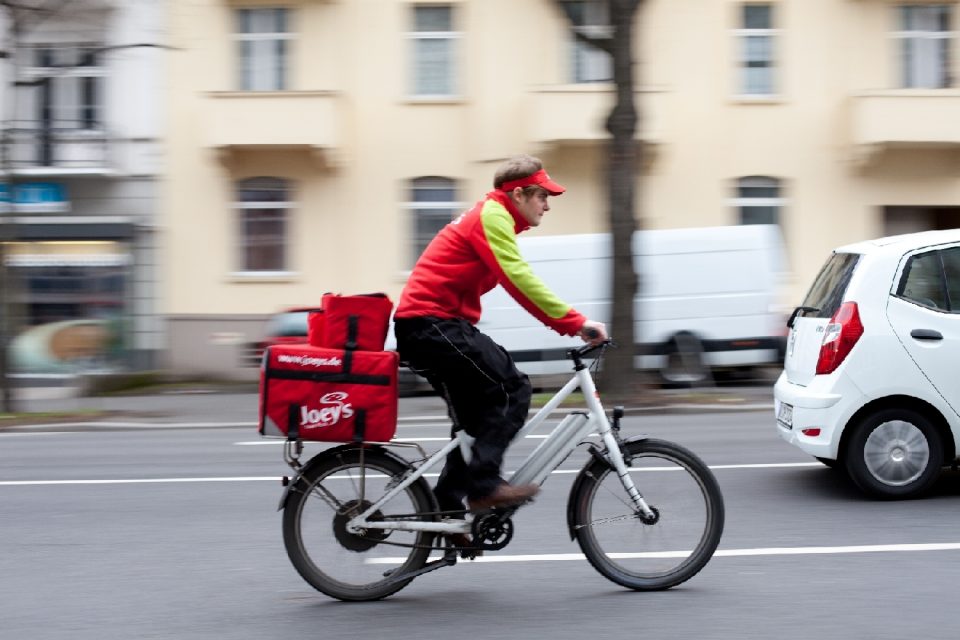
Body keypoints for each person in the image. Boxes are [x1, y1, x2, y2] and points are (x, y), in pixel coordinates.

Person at [393, 154, 608, 528]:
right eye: (542, 195)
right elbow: (518, 278)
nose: (547, 204)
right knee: (511, 388)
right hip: (432, 324)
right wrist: (575, 323)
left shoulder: (493, 217)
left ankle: (445, 507)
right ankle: (484, 486)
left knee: (477, 420)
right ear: (519, 194)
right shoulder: (493, 215)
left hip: (431, 326)